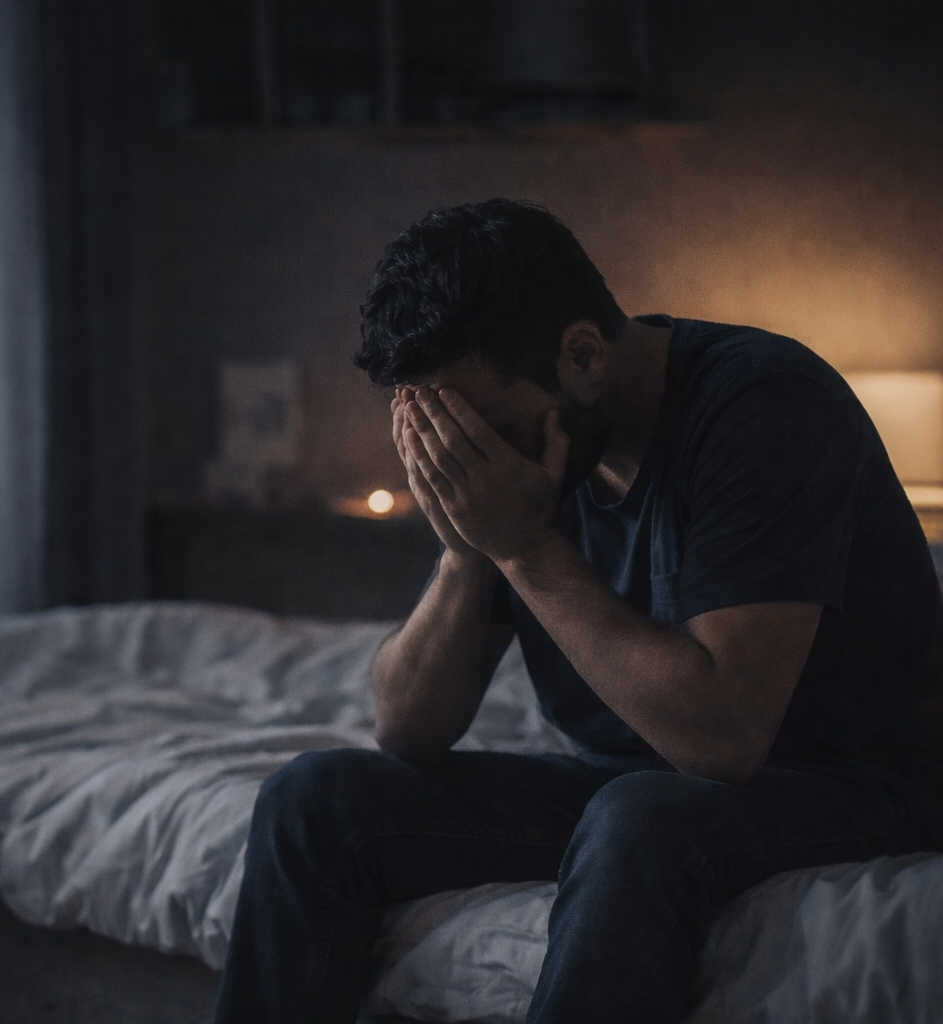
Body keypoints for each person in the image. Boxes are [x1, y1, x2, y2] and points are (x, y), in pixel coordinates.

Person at [211, 199, 943, 1024]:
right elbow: (407, 729)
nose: (471, 461)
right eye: (444, 439)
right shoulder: (518, 459)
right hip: (627, 784)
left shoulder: (764, 404)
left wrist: (525, 549)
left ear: (583, 355)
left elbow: (723, 740)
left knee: (636, 815)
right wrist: (468, 547)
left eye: (483, 433)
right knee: (314, 800)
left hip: (855, 780)